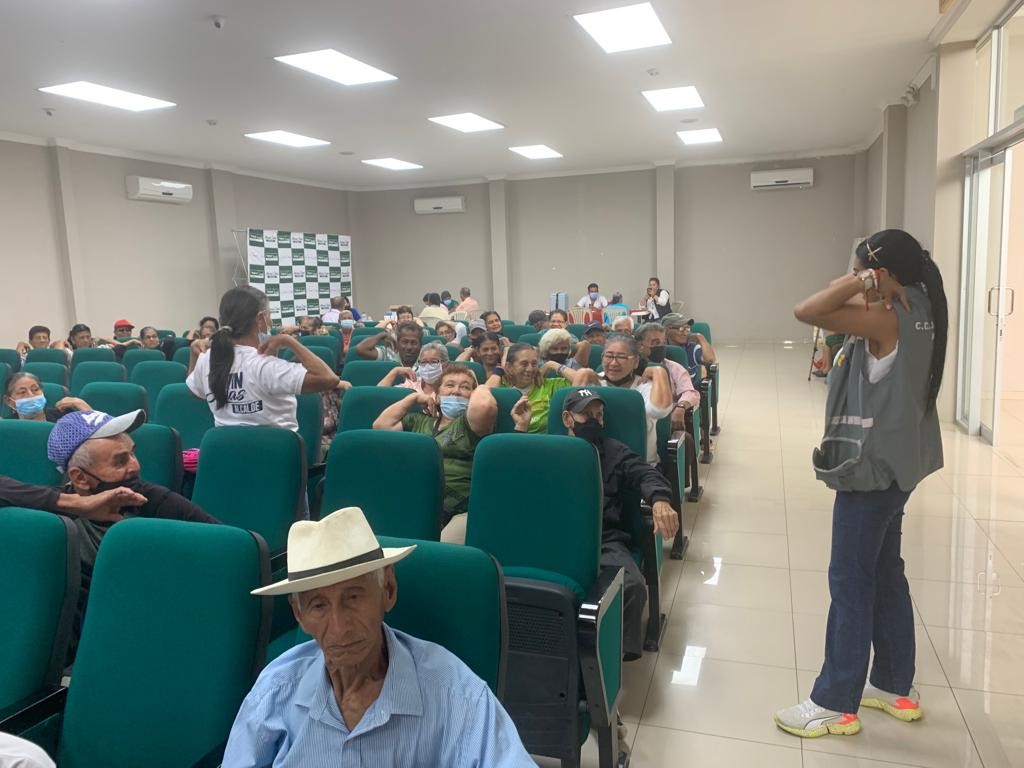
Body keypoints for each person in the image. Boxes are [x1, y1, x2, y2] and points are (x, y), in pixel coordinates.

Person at [774, 229, 947, 738]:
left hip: (872, 470)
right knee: (885, 571)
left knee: (850, 580)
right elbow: (836, 292)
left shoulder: (883, 315)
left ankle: (834, 702)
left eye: (860, 270)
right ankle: (894, 685)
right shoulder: (921, 305)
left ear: (880, 273)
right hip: (900, 463)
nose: (851, 278)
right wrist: (867, 277)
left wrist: (862, 280)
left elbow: (806, 309)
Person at [223, 507, 534, 767]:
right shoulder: (275, 691)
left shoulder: (457, 695)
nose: (340, 628)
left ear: (388, 591)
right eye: (318, 605)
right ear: (299, 614)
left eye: (353, 597)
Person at [0, 409, 220, 651]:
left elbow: (229, 547)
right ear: (80, 478)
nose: (135, 466)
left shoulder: (155, 502)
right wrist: (73, 504)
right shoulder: (51, 514)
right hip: (71, 646)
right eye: (120, 461)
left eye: (133, 453)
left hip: (151, 633)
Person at [560, 388, 679, 660]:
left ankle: (613, 659)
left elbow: (646, 474)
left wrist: (660, 500)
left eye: (598, 415)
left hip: (604, 539)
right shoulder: (550, 451)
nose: (594, 421)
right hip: (556, 538)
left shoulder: (614, 451)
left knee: (633, 586)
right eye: (586, 415)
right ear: (568, 419)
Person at [374, 365, 519, 541]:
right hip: (417, 500)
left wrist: (482, 387)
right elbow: (380, 426)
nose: (456, 391)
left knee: (436, 553)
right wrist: (412, 398)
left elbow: (483, 405)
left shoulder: (472, 424)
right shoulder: (420, 420)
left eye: (465, 387)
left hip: (459, 509)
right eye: (449, 385)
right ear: (437, 394)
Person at [185, 286, 342, 432]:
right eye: (269, 315)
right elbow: (330, 379)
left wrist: (194, 355)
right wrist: (289, 341)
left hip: (226, 452)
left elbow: (195, 392)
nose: (270, 321)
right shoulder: (265, 365)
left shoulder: (207, 359)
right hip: (275, 451)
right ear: (260, 319)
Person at [598, 334, 673, 467]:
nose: (613, 363)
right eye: (609, 356)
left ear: (636, 362)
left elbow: (659, 411)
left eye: (621, 357)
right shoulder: (594, 382)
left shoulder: (645, 385)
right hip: (600, 466)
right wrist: (581, 375)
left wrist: (659, 372)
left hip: (642, 467)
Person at [488, 343, 596, 433]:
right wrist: (500, 371)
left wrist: (552, 364)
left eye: (534, 363)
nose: (530, 369)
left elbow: (582, 379)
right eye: (524, 364)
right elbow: (484, 394)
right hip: (511, 445)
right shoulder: (502, 388)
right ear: (509, 367)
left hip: (545, 444)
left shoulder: (548, 385)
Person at [634, 323, 699, 429]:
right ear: (639, 346)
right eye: (655, 343)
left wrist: (681, 407)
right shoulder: (629, 367)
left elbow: (690, 393)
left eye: (663, 343)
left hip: (667, 420)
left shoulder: (674, 367)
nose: (661, 347)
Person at [4, 372, 90, 422]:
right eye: (22, 392)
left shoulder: (64, 417)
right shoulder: (5, 426)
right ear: (9, 401)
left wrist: (81, 404)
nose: (31, 395)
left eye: (35, 389)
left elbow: (96, 435)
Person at [378, 342, 449, 396]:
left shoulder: (451, 389)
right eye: (423, 362)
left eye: (433, 362)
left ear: (446, 365)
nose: (427, 366)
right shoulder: (410, 385)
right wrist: (395, 371)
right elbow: (379, 395)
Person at [355, 322, 423, 367]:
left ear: (420, 344)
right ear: (397, 342)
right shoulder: (389, 354)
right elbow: (361, 349)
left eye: (414, 343)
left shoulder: (426, 357)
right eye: (404, 342)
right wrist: (382, 335)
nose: (409, 347)